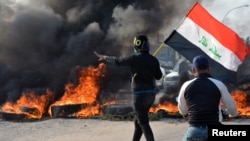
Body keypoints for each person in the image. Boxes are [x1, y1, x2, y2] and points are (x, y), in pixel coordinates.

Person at [94, 34, 163, 141]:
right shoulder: (154, 60)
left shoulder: (133, 59)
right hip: (150, 96)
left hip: (139, 96)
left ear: (137, 45)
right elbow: (159, 76)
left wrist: (104, 57)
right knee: (138, 121)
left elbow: (117, 61)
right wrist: (151, 67)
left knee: (143, 122)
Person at [177, 55, 239, 141]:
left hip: (194, 130)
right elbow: (231, 107)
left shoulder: (186, 86)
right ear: (209, 68)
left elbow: (182, 109)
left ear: (193, 70)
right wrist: (234, 115)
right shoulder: (218, 84)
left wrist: (185, 114)